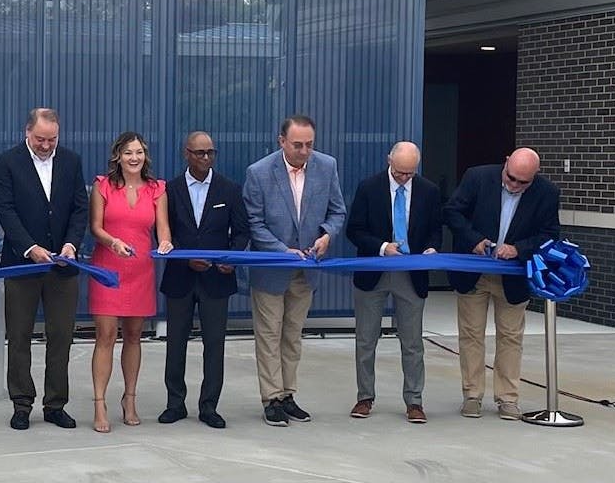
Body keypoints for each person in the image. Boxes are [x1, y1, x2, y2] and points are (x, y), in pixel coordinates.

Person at [242, 114, 346, 426]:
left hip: (307, 269)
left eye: (309, 145)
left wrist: (327, 234)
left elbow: (337, 210)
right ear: (282, 141)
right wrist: (281, 251)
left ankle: (288, 394)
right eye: (297, 145)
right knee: (269, 334)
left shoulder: (326, 166)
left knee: (292, 335)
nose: (304, 151)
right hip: (272, 270)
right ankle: (271, 398)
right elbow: (255, 223)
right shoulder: (259, 173)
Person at [445, 147, 560, 420]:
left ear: (535, 177)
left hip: (513, 276)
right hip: (474, 272)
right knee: (471, 334)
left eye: (523, 182)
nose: (515, 185)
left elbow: (550, 234)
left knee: (510, 337)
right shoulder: (477, 177)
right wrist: (474, 240)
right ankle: (472, 395)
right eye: (511, 178)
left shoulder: (547, 193)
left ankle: (507, 398)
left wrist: (519, 248)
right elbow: (452, 213)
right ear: (506, 162)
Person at [0, 107, 89, 430]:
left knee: (61, 336)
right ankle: (21, 403)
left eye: (52, 139)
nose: (47, 146)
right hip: (22, 265)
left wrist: (71, 244)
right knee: (19, 336)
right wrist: (30, 248)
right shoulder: (8, 162)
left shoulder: (72, 161)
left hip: (62, 267)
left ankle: (55, 403)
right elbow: (5, 210)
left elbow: (80, 208)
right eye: (40, 139)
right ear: (27, 132)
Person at [345, 141, 442, 424]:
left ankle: (414, 401)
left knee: (412, 342)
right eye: (399, 172)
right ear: (389, 160)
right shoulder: (369, 187)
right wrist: (382, 246)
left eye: (409, 174)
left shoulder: (429, 191)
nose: (403, 178)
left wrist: (432, 249)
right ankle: (365, 397)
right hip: (374, 270)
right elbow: (355, 230)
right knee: (366, 338)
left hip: (412, 273)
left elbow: (436, 228)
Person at [158, 131, 248, 430]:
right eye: (200, 153)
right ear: (187, 153)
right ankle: (175, 403)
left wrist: (230, 260)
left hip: (216, 278)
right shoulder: (169, 190)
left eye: (211, 152)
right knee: (176, 343)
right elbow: (161, 233)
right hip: (180, 276)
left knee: (214, 344)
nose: (206, 158)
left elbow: (242, 231)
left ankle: (209, 406)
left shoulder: (229, 189)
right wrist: (183, 257)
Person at [87, 131, 172, 433]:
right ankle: (100, 403)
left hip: (140, 271)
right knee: (106, 335)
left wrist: (165, 244)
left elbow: (163, 230)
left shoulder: (157, 189)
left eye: (138, 153)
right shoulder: (103, 186)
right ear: (118, 157)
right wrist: (113, 243)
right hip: (108, 270)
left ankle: (130, 399)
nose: (134, 158)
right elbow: (95, 228)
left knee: (134, 336)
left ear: (144, 156)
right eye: (128, 153)